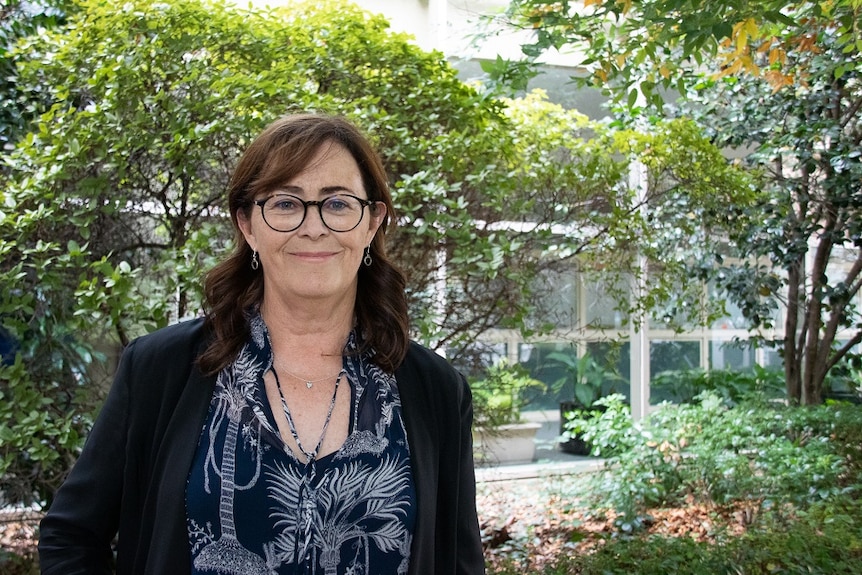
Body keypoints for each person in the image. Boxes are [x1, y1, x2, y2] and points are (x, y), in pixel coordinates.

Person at [38, 114, 486, 574]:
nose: (314, 227)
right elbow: (71, 537)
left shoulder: (436, 391)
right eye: (286, 203)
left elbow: (460, 561)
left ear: (371, 223)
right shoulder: (161, 369)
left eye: (337, 204)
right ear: (248, 225)